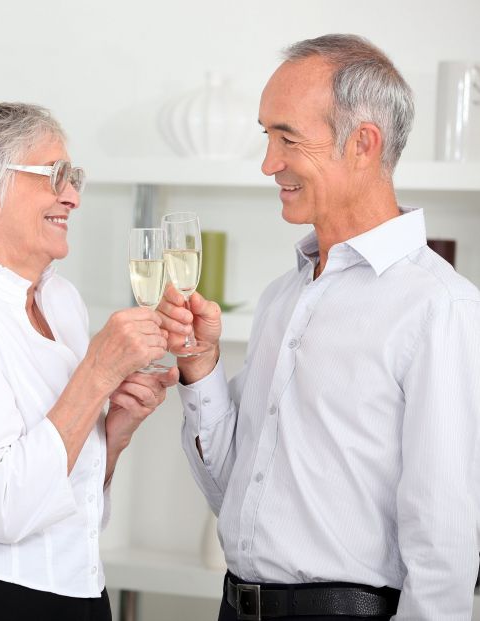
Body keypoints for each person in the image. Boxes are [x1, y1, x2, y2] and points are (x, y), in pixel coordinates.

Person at [159, 34, 480, 620]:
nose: (268, 162)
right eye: (266, 135)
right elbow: (230, 492)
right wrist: (200, 368)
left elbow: (445, 546)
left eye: (288, 137)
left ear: (363, 143)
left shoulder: (439, 307)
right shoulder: (284, 296)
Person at [0, 102, 178, 621]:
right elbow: (2, 509)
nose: (72, 196)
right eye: (54, 176)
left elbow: (73, 505)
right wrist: (97, 374)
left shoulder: (60, 302)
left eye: (74, 177)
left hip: (79, 594)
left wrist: (115, 433)